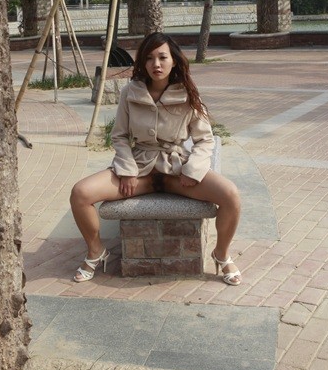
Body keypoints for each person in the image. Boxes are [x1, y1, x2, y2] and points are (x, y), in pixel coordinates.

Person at [69, 32, 243, 285]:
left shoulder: (188, 93)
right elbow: (119, 136)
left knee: (230, 195)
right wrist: (127, 171)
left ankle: (222, 254)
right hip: (139, 170)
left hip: (176, 171)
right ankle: (96, 251)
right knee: (80, 193)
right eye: (149, 58)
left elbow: (205, 140)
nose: (156, 64)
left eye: (162, 57)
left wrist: (193, 170)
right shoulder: (130, 92)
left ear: (174, 60)